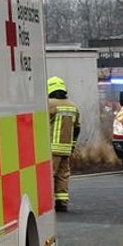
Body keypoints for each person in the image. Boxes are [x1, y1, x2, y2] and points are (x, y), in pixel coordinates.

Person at [48, 76, 80, 212]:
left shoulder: (48, 105)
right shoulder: (73, 106)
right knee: (63, 174)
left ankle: (48, 201)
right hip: (66, 148)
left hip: (51, 148)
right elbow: (77, 129)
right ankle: (61, 201)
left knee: (50, 174)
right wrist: (72, 146)